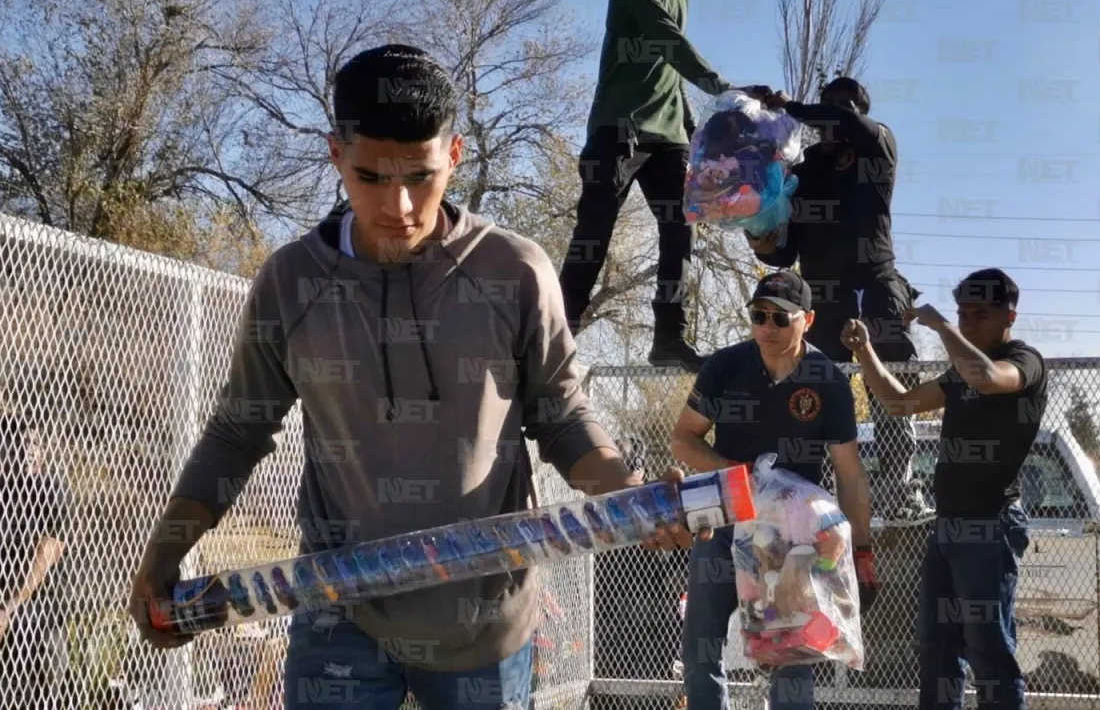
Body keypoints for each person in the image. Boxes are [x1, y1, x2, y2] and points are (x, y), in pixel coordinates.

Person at [127, 44, 703, 710]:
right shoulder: (292, 282)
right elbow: (236, 432)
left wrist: (627, 494)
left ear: (454, 155)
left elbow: (563, 416)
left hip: (484, 620)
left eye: (422, 176)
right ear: (335, 154)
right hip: (336, 604)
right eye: (371, 176)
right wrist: (165, 552)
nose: (398, 205)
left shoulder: (513, 272)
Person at [558, 0, 771, 372]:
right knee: (594, 233)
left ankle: (669, 336)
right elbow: (666, 41)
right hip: (619, 129)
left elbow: (668, 68)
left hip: (668, 134)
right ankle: (556, 334)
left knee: (681, 229)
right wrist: (721, 86)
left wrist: (696, 128)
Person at [670, 270, 879, 710]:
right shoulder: (725, 367)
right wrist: (734, 472)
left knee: (790, 652)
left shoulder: (829, 380)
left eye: (780, 319)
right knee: (701, 644)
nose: (767, 327)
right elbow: (683, 439)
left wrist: (861, 549)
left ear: (808, 320)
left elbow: (849, 470)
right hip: (724, 520)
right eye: (758, 316)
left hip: (793, 538)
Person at [841, 268, 1048, 710]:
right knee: (936, 648)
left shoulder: (1023, 361)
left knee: (989, 650)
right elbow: (899, 402)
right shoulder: (960, 375)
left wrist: (941, 325)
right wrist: (866, 352)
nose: (969, 323)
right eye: (963, 315)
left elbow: (989, 378)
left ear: (1008, 316)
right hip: (947, 528)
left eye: (979, 316)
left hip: (990, 527)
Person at [747, 77, 931, 525]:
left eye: (845, 107)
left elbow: (848, 122)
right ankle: (813, 490)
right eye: (829, 105)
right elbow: (783, 251)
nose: (835, 115)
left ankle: (898, 492)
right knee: (813, 392)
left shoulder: (876, 145)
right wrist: (759, 232)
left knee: (890, 381)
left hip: (875, 285)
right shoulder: (804, 172)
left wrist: (793, 107)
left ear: (858, 111)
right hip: (823, 298)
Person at [0, 415, 73, 710]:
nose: (29, 450)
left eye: (34, 443)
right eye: (19, 443)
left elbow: (46, 556)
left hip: (37, 620)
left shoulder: (49, 490)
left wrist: (7, 609)